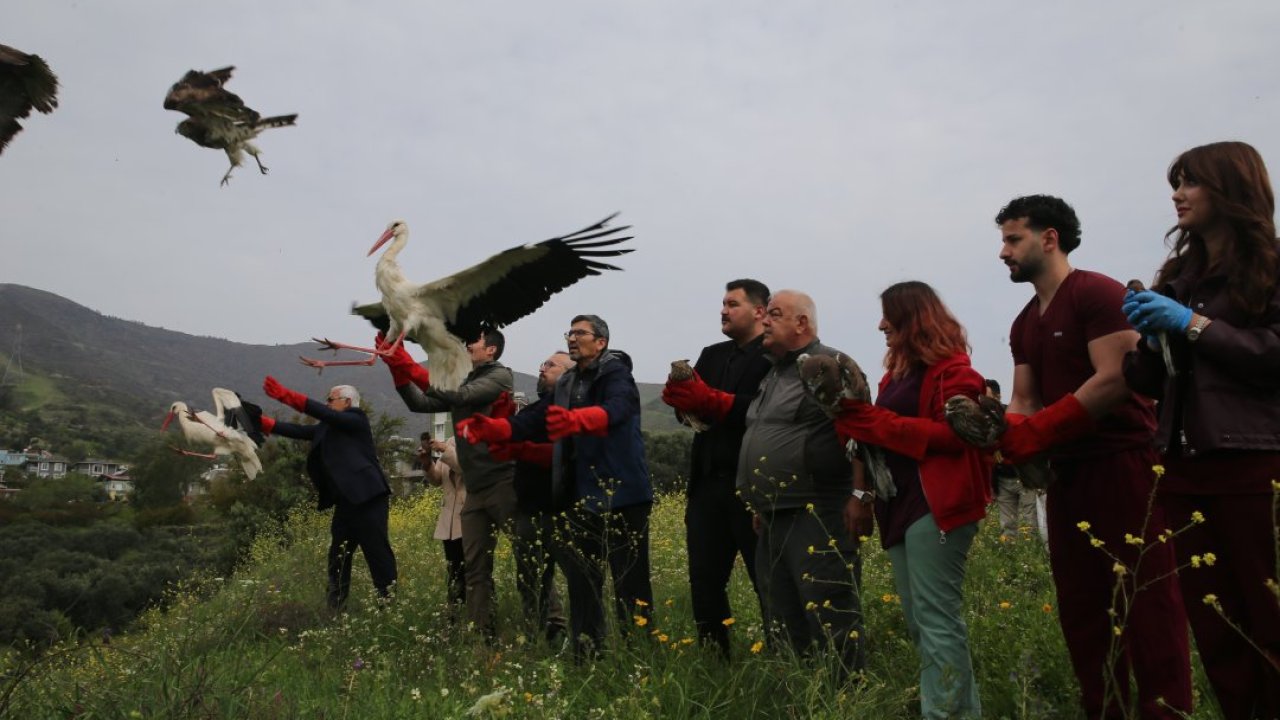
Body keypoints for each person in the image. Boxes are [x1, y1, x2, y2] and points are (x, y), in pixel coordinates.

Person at [994, 195, 1192, 718]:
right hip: (1066, 475)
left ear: (1049, 238)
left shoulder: (1096, 293)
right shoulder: (1023, 321)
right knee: (1083, 608)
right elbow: (1023, 398)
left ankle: (1166, 712)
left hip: (1122, 464)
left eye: (1013, 239)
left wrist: (1037, 432)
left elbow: (1115, 380)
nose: (1003, 252)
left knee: (1146, 603)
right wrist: (1010, 434)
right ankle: (1103, 709)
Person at [1121, 141, 1280, 719]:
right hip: (1184, 467)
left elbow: (1272, 356)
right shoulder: (1180, 275)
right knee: (1215, 628)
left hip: (1253, 464)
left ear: (1230, 189)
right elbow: (1149, 380)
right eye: (1176, 182)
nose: (1177, 194)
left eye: (1190, 182)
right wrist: (1148, 339)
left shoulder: (1270, 266)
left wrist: (1194, 326)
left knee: (1268, 617)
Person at [669, 290, 865, 677]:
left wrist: (861, 494)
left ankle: (844, 698)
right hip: (772, 514)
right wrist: (759, 503)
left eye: (774, 314)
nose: (766, 322)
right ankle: (796, 696)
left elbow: (861, 434)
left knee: (828, 610)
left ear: (801, 324)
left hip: (816, 508)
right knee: (782, 616)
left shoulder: (830, 364)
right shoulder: (774, 374)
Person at [831, 281, 990, 718]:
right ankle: (957, 711)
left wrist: (873, 422)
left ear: (912, 319)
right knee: (923, 624)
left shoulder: (956, 372)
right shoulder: (894, 375)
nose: (882, 324)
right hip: (898, 504)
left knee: (937, 621)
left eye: (890, 316)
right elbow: (872, 436)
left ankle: (944, 714)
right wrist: (852, 424)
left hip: (937, 505)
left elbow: (955, 436)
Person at [459, 315, 654, 658]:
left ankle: (640, 656)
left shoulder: (615, 373)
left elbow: (619, 408)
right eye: (570, 332)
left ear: (601, 342)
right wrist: (496, 429)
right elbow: (535, 418)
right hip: (582, 497)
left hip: (624, 492)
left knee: (630, 583)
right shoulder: (567, 384)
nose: (572, 338)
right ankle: (587, 654)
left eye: (580, 333)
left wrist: (578, 420)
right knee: (583, 582)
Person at [379, 329, 515, 638]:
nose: (467, 344)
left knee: (529, 557)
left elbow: (461, 397)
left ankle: (550, 627)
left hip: (502, 481)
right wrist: (396, 367)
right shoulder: (465, 383)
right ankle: (483, 636)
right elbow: (419, 402)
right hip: (477, 490)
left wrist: (406, 359)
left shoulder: (498, 377)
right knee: (474, 568)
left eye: (474, 341)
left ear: (491, 350)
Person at [662, 278, 771, 656]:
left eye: (732, 304)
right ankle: (714, 657)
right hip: (707, 485)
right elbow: (696, 412)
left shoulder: (773, 356)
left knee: (767, 580)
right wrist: (682, 405)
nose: (723, 311)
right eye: (722, 304)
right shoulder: (710, 354)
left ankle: (782, 654)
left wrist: (712, 399)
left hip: (754, 486)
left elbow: (765, 414)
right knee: (704, 581)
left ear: (759, 311)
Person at [259, 378, 397, 609]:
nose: (327, 403)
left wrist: (288, 396)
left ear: (347, 401)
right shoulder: (328, 427)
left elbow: (328, 415)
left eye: (330, 399)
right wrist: (261, 422)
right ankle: (336, 607)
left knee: (377, 553)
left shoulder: (356, 419)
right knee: (338, 556)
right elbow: (298, 430)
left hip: (369, 498)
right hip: (346, 502)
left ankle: (389, 604)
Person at [488, 351, 573, 643]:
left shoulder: (575, 409)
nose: (542, 368)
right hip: (529, 509)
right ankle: (537, 638)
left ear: (569, 374)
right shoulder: (531, 412)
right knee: (530, 581)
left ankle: (580, 640)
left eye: (550, 365)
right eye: (542, 364)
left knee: (579, 578)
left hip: (566, 509)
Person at [985, 378, 1037, 541]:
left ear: (998, 396)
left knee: (1030, 522)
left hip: (1023, 477)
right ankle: (1010, 556)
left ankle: (1032, 556)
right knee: (1007, 526)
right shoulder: (983, 423)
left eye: (988, 396)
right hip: (1002, 480)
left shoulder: (1011, 417)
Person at [422, 433, 466, 615]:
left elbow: (466, 467)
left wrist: (445, 450)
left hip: (470, 517)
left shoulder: (477, 439)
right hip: (450, 520)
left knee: (474, 570)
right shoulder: (451, 441)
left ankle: (481, 615)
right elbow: (437, 479)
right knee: (454, 569)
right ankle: (454, 612)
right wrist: (426, 462)